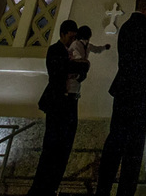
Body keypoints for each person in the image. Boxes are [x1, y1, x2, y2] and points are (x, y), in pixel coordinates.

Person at [96, 0, 146, 196]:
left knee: (115, 139)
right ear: (145, 7)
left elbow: (128, 55)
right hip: (140, 91)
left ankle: (103, 188)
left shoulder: (125, 27)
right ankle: (126, 191)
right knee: (135, 145)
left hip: (122, 89)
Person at [29, 20, 89, 196]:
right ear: (63, 34)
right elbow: (62, 69)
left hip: (71, 101)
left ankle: (52, 186)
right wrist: (81, 65)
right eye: (70, 36)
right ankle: (41, 188)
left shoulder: (72, 51)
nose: (73, 40)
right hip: (58, 103)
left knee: (64, 147)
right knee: (51, 147)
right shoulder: (55, 50)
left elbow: (81, 73)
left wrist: (81, 67)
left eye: (75, 36)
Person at [67, 25, 110, 97]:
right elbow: (97, 50)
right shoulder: (86, 45)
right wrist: (105, 47)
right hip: (76, 72)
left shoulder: (76, 44)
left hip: (74, 74)